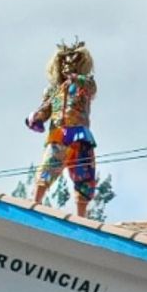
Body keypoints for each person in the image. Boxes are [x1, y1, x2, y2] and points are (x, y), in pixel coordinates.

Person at [26, 40, 98, 217]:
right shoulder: (53, 90)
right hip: (59, 133)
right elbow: (45, 110)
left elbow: (91, 88)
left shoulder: (85, 84)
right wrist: (36, 118)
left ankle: (82, 216)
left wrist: (76, 79)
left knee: (84, 175)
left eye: (72, 62)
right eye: (64, 62)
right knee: (47, 167)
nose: (67, 66)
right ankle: (35, 202)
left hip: (80, 134)